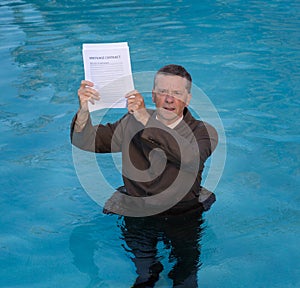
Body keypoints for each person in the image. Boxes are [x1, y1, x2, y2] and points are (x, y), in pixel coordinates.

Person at [70, 64, 218, 287]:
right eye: (162, 92)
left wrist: (145, 118)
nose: (169, 99)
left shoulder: (204, 130)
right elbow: (87, 141)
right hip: (138, 213)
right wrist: (84, 111)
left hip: (182, 214)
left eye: (176, 93)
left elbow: (190, 159)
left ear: (188, 98)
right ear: (153, 95)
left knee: (185, 277)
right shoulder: (131, 121)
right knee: (145, 276)